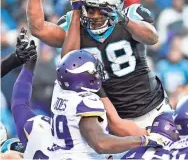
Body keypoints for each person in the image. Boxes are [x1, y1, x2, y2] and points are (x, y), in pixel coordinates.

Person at [27, 0, 171, 129]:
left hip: (153, 110)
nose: (94, 16)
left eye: (101, 10)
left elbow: (152, 38)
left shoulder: (130, 16)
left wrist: (124, 21)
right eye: (90, 9)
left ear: (115, 8)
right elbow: (39, 29)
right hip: (113, 121)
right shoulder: (75, 24)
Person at [11, 45, 164, 159]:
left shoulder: (37, 131)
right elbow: (100, 144)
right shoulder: (85, 102)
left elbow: (18, 103)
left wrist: (28, 68)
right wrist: (143, 140)